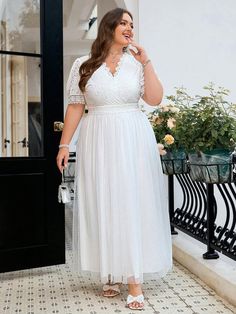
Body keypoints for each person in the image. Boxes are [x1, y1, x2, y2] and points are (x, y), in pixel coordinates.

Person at [57, 7, 173, 311]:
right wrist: (64, 145)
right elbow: (75, 108)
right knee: (103, 201)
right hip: (98, 138)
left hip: (133, 138)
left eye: (131, 24)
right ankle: (110, 271)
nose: (129, 28)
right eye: (123, 23)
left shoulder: (137, 64)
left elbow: (155, 99)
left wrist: (146, 61)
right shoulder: (83, 65)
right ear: (108, 27)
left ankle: (134, 280)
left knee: (132, 201)